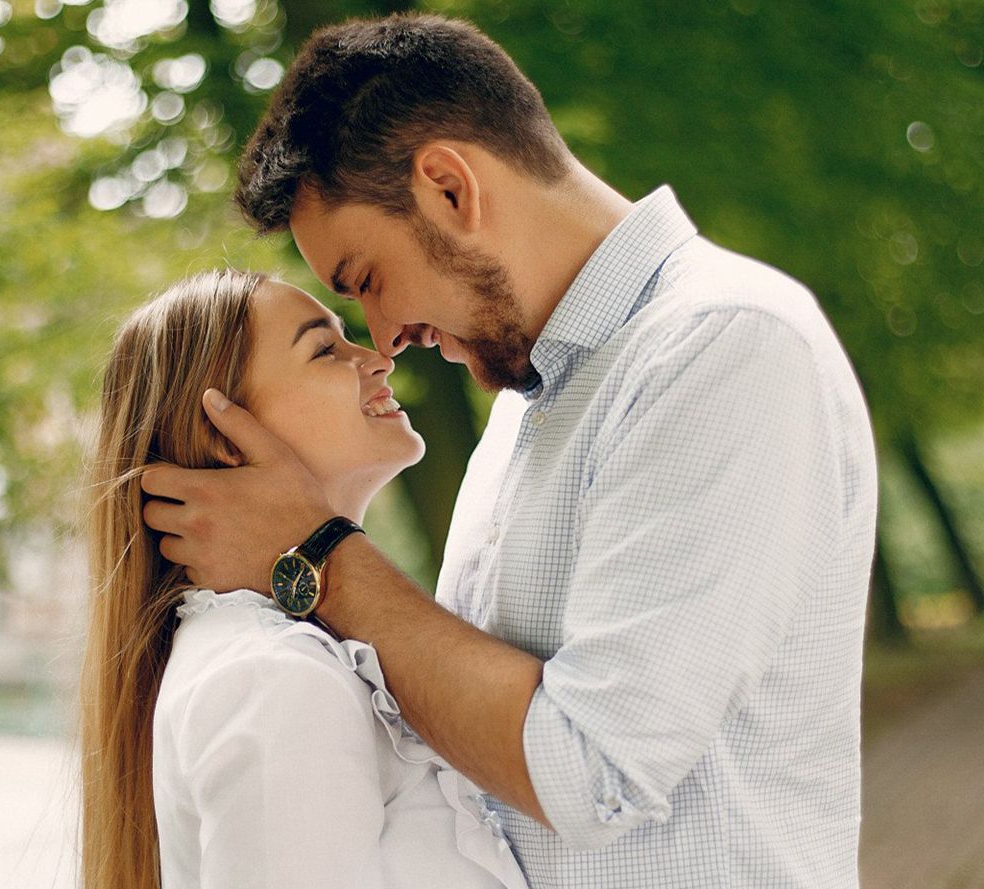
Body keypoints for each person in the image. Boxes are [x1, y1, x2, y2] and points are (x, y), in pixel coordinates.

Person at [138, 13, 880, 889]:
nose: (386, 338)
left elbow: (592, 773)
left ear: (451, 188)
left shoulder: (720, 347)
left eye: (367, 280)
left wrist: (314, 552)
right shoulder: (527, 410)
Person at [78, 269, 530, 889]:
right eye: (325, 349)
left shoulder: (298, 658)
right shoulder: (273, 678)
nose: (376, 358)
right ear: (228, 439)